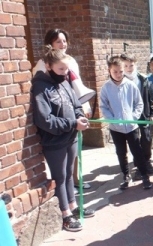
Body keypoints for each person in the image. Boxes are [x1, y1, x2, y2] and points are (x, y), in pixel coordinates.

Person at [31, 47, 95, 232]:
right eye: (61, 69)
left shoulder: (65, 82)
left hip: (71, 137)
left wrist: (79, 117)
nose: (65, 73)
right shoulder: (40, 87)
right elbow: (44, 120)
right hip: (54, 142)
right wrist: (72, 124)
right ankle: (65, 213)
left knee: (69, 175)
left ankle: (73, 207)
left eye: (66, 69)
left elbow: (76, 105)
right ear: (49, 66)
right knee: (59, 177)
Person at [32, 28, 92, 191]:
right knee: (62, 161)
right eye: (58, 41)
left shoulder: (70, 60)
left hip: (72, 107)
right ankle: (67, 191)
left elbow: (76, 85)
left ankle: (76, 178)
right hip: (58, 115)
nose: (62, 44)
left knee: (75, 147)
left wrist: (83, 105)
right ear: (50, 43)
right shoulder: (42, 64)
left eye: (64, 41)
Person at [99, 56, 152, 190]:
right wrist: (112, 118)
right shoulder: (106, 88)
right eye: (115, 71)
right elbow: (104, 106)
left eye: (121, 71)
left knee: (137, 150)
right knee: (121, 152)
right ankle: (126, 175)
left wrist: (133, 117)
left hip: (131, 126)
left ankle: (144, 175)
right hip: (116, 128)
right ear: (109, 71)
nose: (118, 74)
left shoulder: (130, 85)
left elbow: (139, 103)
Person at [120, 53, 153, 180]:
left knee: (146, 138)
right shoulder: (120, 79)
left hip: (143, 114)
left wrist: (151, 113)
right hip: (128, 115)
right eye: (126, 66)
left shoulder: (143, 79)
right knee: (134, 140)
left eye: (131, 65)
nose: (129, 68)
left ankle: (147, 160)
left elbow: (149, 97)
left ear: (136, 64)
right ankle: (139, 164)